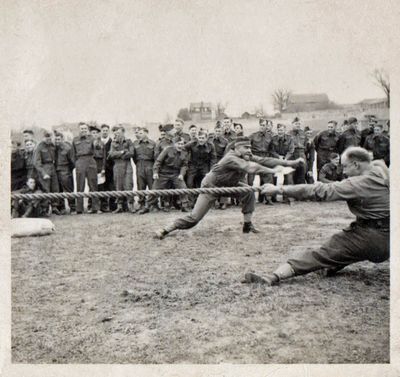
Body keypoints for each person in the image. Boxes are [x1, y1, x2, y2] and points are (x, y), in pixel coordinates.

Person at [243, 147, 389, 286]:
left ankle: (273, 276)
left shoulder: (357, 183)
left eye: (345, 167)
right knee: (344, 247)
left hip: (370, 239)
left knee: (324, 251)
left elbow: (318, 190)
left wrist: (279, 189)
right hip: (391, 238)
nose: (343, 172)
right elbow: (377, 162)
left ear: (356, 164)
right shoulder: (381, 170)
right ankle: (332, 266)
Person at [154, 136, 304, 239]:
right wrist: (274, 171)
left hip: (229, 185)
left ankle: (247, 225)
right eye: (246, 148)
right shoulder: (231, 157)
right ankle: (166, 229)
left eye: (250, 148)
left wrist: (291, 163)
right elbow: (252, 168)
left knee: (248, 192)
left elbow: (266, 160)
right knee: (194, 218)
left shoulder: (245, 155)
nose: (249, 151)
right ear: (237, 148)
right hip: (211, 187)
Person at [139, 137, 190, 214]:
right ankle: (147, 207)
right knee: (155, 190)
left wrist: (181, 174)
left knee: (183, 188)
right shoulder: (167, 150)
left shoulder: (184, 152)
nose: (180, 146)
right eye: (178, 144)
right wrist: (155, 172)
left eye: (182, 144)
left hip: (176, 174)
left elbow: (185, 165)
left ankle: (184, 206)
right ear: (174, 144)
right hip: (163, 173)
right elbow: (158, 161)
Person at [72, 122, 100, 214]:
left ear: (87, 130)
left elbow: (98, 148)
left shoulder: (92, 138)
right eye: (81, 129)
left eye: (85, 129)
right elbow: (72, 154)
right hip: (80, 161)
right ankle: (79, 209)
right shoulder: (75, 140)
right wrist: (76, 163)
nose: (83, 130)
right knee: (80, 185)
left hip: (90, 160)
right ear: (79, 130)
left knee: (93, 184)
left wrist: (97, 141)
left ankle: (95, 208)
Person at [108, 125, 134, 213]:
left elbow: (131, 153)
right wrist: (123, 152)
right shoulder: (113, 143)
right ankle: (119, 206)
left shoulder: (129, 141)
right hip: (117, 165)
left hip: (127, 165)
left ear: (123, 132)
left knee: (128, 184)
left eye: (118, 133)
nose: (117, 135)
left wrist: (119, 154)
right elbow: (111, 154)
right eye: (115, 133)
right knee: (118, 185)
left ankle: (130, 205)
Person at [248, 118, 275, 204]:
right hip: (255, 158)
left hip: (265, 158)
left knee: (268, 178)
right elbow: (247, 146)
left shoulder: (270, 137)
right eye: (261, 125)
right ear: (259, 125)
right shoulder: (253, 136)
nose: (262, 127)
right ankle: (249, 199)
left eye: (264, 125)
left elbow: (272, 150)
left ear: (267, 126)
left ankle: (268, 198)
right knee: (250, 179)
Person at [33, 131, 60, 214]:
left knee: (55, 188)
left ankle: (55, 207)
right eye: (46, 137)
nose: (48, 138)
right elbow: (36, 162)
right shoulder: (39, 146)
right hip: (44, 168)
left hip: (52, 167)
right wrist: (43, 173)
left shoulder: (52, 145)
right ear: (43, 137)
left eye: (50, 137)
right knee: (46, 189)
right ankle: (45, 208)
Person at [132, 127, 156, 212]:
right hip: (139, 165)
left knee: (151, 185)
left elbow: (155, 156)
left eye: (141, 133)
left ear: (146, 133)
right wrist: (139, 164)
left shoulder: (153, 143)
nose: (139, 134)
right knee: (140, 185)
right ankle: (141, 203)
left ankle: (153, 204)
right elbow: (134, 157)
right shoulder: (135, 143)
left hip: (150, 164)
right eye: (138, 133)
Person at [54, 132, 76, 214]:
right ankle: (61, 208)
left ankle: (73, 207)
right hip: (56, 171)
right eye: (55, 139)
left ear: (62, 139)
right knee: (58, 190)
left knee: (68, 190)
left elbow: (72, 162)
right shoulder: (54, 148)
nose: (57, 141)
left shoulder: (68, 148)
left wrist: (68, 170)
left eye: (58, 139)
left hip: (65, 170)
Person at [100, 124, 116, 212]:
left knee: (111, 186)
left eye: (106, 130)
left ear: (108, 131)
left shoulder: (112, 142)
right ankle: (104, 206)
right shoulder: (98, 142)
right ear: (101, 131)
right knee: (102, 186)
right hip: (101, 168)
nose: (105, 132)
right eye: (103, 130)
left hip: (111, 168)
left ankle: (112, 205)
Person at [289, 117, 308, 184]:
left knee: (302, 177)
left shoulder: (303, 134)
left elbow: (307, 146)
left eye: (299, 124)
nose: (298, 125)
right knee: (291, 177)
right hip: (292, 156)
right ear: (292, 124)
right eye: (296, 124)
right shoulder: (288, 134)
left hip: (301, 156)